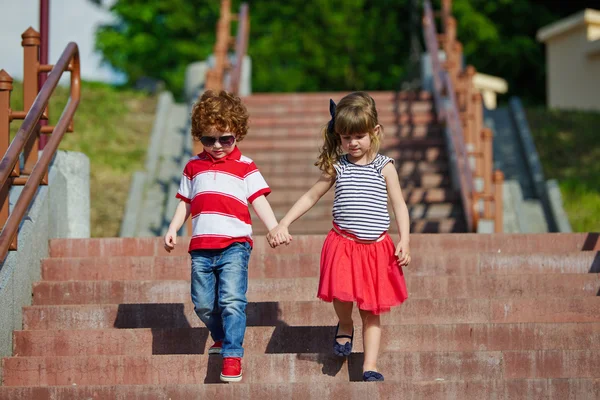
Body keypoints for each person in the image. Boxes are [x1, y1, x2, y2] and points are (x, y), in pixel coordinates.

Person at [268, 91, 410, 382]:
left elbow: (399, 205)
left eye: (358, 136)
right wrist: (284, 223)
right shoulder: (338, 166)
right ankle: (344, 324)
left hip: (377, 249)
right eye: (346, 137)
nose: (352, 143)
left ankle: (370, 365)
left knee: (372, 311)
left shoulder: (385, 167)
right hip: (343, 245)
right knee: (342, 298)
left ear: (375, 132)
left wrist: (405, 240)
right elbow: (311, 196)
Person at [163, 90, 291, 383]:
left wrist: (274, 227)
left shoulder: (245, 166)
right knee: (203, 303)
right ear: (200, 137)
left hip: (235, 244)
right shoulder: (193, 167)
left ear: (238, 134)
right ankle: (219, 336)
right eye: (209, 139)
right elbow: (185, 202)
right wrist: (172, 228)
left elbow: (258, 200)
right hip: (201, 247)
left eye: (225, 138)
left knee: (232, 299)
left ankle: (232, 354)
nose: (217, 146)